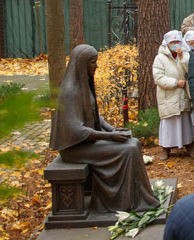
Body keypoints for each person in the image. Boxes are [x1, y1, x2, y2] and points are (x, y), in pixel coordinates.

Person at [50, 44, 160, 212]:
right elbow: (75, 130)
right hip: (74, 148)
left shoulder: (84, 85)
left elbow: (95, 117)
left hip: (85, 143)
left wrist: (112, 130)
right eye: (93, 62)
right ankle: (121, 202)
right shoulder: (70, 92)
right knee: (128, 150)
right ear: (81, 64)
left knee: (134, 143)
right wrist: (109, 137)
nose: (96, 66)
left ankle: (138, 196)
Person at [153, 30, 194, 160]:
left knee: (185, 121)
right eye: (172, 42)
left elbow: (190, 70)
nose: (175, 44)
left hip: (183, 94)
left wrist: (182, 57)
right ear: (167, 43)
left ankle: (189, 146)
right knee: (168, 121)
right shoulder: (160, 58)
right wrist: (175, 83)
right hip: (169, 94)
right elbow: (158, 78)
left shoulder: (186, 55)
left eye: (177, 42)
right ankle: (166, 149)